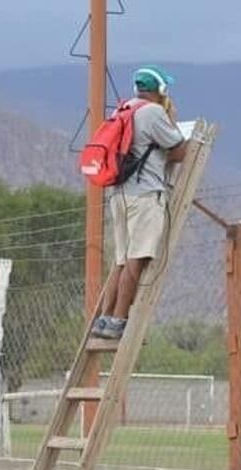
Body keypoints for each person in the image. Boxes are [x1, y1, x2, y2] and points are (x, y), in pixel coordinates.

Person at [92, 65, 187, 340]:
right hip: (145, 196)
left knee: (121, 260)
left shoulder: (122, 110)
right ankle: (120, 320)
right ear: (161, 90)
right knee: (137, 259)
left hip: (119, 194)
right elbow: (179, 151)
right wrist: (172, 120)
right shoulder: (154, 112)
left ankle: (104, 319)